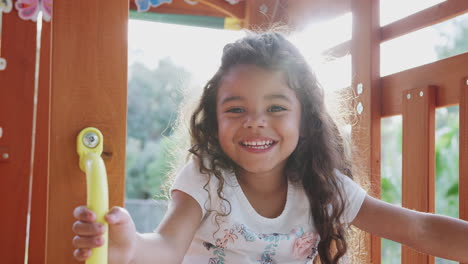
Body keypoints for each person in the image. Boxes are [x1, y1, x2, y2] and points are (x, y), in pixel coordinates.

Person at [72, 32, 468, 264]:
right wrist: (128, 246)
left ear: (305, 119)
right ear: (214, 119)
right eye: (236, 108)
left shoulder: (323, 186)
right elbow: (165, 248)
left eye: (276, 107)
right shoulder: (207, 178)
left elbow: (419, 228)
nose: (255, 121)